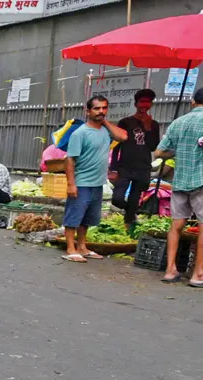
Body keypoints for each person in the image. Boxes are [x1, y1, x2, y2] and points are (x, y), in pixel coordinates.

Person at [63, 95, 128, 263]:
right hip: (82, 181)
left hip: (98, 182)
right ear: (88, 111)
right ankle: (70, 248)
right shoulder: (80, 133)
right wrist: (71, 184)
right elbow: (69, 159)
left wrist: (104, 121)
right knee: (74, 216)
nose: (101, 111)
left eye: (104, 108)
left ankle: (82, 247)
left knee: (87, 218)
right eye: (97, 108)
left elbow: (123, 137)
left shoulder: (105, 130)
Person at [155, 87, 203, 285]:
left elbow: (159, 153)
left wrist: (177, 152)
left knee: (176, 225)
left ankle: (170, 270)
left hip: (180, 181)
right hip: (201, 181)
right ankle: (198, 274)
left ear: (193, 101)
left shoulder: (178, 122)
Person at [111, 89, 161, 234]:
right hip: (125, 167)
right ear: (136, 103)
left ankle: (128, 229)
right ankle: (131, 212)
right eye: (142, 102)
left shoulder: (154, 125)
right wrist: (113, 168)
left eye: (148, 102)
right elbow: (116, 146)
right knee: (117, 198)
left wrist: (147, 127)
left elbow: (153, 147)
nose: (144, 105)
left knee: (134, 198)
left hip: (143, 168)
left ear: (151, 104)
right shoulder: (125, 122)